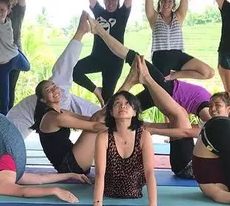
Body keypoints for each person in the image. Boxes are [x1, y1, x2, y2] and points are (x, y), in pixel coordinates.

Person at [88, 17, 209, 178]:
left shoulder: (208, 112)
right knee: (121, 110)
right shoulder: (211, 107)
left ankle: (101, 32)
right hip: (165, 93)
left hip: (166, 91)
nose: (215, 107)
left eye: (218, 106)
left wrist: (152, 129)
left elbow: (190, 132)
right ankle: (106, 116)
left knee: (134, 58)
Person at [7, 12, 100, 138]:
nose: (55, 89)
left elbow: (95, 119)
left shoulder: (62, 100)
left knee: (99, 115)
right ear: (43, 99)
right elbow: (94, 125)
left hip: (40, 111)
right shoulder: (53, 113)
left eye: (53, 87)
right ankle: (81, 32)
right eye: (50, 89)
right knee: (61, 74)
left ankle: (81, 32)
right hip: (21, 121)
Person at [84, 91, 165, 206]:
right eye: (117, 103)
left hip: (136, 190)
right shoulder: (103, 137)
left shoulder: (144, 136)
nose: (122, 106)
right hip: (109, 191)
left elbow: (149, 172)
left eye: (127, 103)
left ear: (134, 112)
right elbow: (100, 173)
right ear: (111, 112)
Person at [73, 0, 133, 105]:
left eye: (113, 0)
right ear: (104, 1)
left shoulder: (122, 14)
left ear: (118, 1)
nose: (110, 3)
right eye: (107, 0)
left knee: (107, 100)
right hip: (96, 57)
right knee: (73, 70)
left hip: (115, 61)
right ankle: (96, 91)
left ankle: (106, 123)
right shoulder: (99, 12)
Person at [145, 0, 214, 81]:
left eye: (170, 1)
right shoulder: (153, 17)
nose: (166, 3)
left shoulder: (179, 16)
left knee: (208, 72)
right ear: (159, 2)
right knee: (164, 88)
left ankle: (174, 75)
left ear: (173, 3)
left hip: (177, 55)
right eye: (163, 0)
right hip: (160, 56)